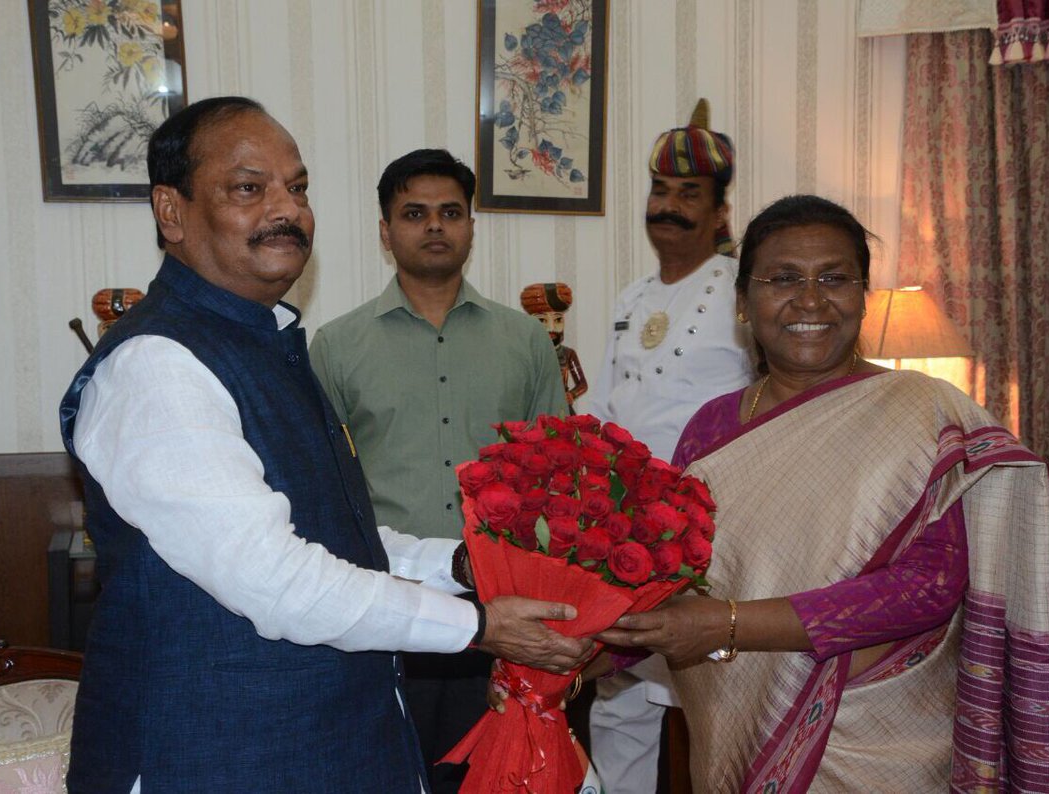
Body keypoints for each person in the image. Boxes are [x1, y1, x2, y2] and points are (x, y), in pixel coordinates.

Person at [58, 98, 591, 793]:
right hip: (208, 754)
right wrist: (478, 623)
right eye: (248, 188)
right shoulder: (157, 365)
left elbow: (336, 536)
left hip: (320, 743)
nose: (288, 209)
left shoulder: (265, 342)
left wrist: (465, 564)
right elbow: (276, 579)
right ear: (172, 211)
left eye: (298, 187)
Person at [597, 194, 1049, 792]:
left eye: (834, 278)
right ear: (743, 302)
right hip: (736, 727)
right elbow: (666, 577)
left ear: (862, 296)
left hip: (882, 740)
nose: (810, 300)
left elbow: (928, 587)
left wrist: (727, 625)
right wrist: (582, 656)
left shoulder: (922, 411)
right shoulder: (709, 428)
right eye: (783, 279)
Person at [308, 148, 568, 792]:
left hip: (502, 608)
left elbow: (559, 480)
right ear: (385, 230)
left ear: (471, 226)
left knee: (487, 778)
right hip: (384, 603)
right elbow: (321, 487)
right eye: (414, 213)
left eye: (450, 212)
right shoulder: (336, 346)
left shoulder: (525, 341)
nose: (433, 226)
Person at [581, 98, 755, 792]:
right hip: (626, 533)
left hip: (710, 534)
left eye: (688, 194)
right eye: (660, 191)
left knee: (706, 703)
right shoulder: (632, 297)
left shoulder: (743, 291)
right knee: (617, 697)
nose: (669, 207)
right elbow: (606, 402)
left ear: (719, 211)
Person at [520, 281, 588, 411]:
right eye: (542, 320)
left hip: (562, 410)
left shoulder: (568, 354)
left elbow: (582, 384)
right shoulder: (526, 354)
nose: (551, 327)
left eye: (557, 320)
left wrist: (571, 395)